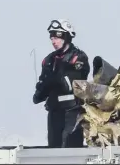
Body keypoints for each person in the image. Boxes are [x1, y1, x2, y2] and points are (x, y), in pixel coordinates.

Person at [33, 19, 90, 148]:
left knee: (71, 148)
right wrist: (40, 91)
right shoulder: (48, 60)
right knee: (54, 148)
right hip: (54, 111)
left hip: (72, 111)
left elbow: (70, 84)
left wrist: (55, 78)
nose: (54, 41)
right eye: (52, 38)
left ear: (66, 37)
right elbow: (43, 83)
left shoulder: (78, 58)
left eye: (57, 38)